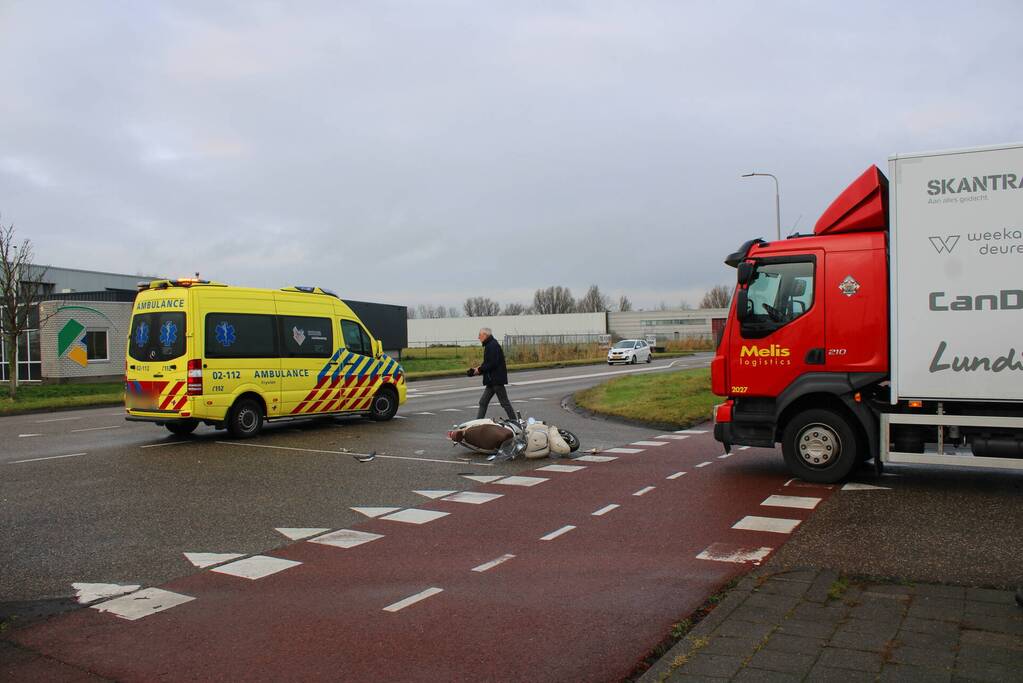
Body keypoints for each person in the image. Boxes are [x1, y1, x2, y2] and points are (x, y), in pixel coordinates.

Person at [470, 328, 516, 420]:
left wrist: (480, 369)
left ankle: (515, 422)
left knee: (504, 403)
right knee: (483, 402)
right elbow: (488, 362)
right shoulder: (490, 345)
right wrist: (478, 369)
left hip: (496, 380)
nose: (478, 337)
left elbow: (492, 363)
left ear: (485, 335)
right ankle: (478, 423)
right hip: (491, 381)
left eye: (480, 335)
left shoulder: (492, 345)